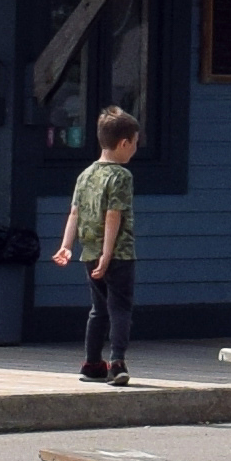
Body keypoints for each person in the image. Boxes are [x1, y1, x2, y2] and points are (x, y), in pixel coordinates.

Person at [60, 106, 145, 386]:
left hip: (89, 252)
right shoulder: (121, 176)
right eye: (134, 143)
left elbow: (74, 212)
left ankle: (91, 363)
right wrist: (109, 255)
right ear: (124, 143)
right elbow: (113, 214)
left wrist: (66, 245)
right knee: (120, 307)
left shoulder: (85, 175)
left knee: (98, 309)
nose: (135, 149)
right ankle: (117, 363)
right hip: (117, 253)